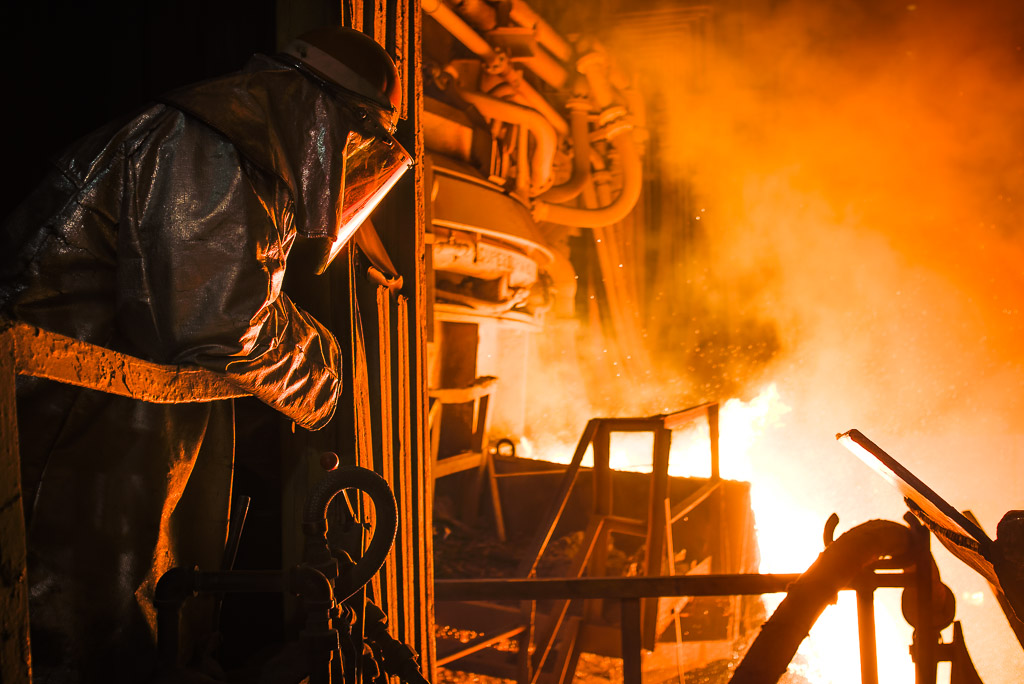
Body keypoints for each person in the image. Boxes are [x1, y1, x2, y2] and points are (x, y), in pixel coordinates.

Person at [0, 26, 410, 683]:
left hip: (101, 414)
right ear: (327, 114)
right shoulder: (203, 144)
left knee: (127, 613)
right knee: (62, 631)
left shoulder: (241, 152)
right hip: (59, 414)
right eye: (357, 142)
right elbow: (211, 321)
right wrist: (322, 379)